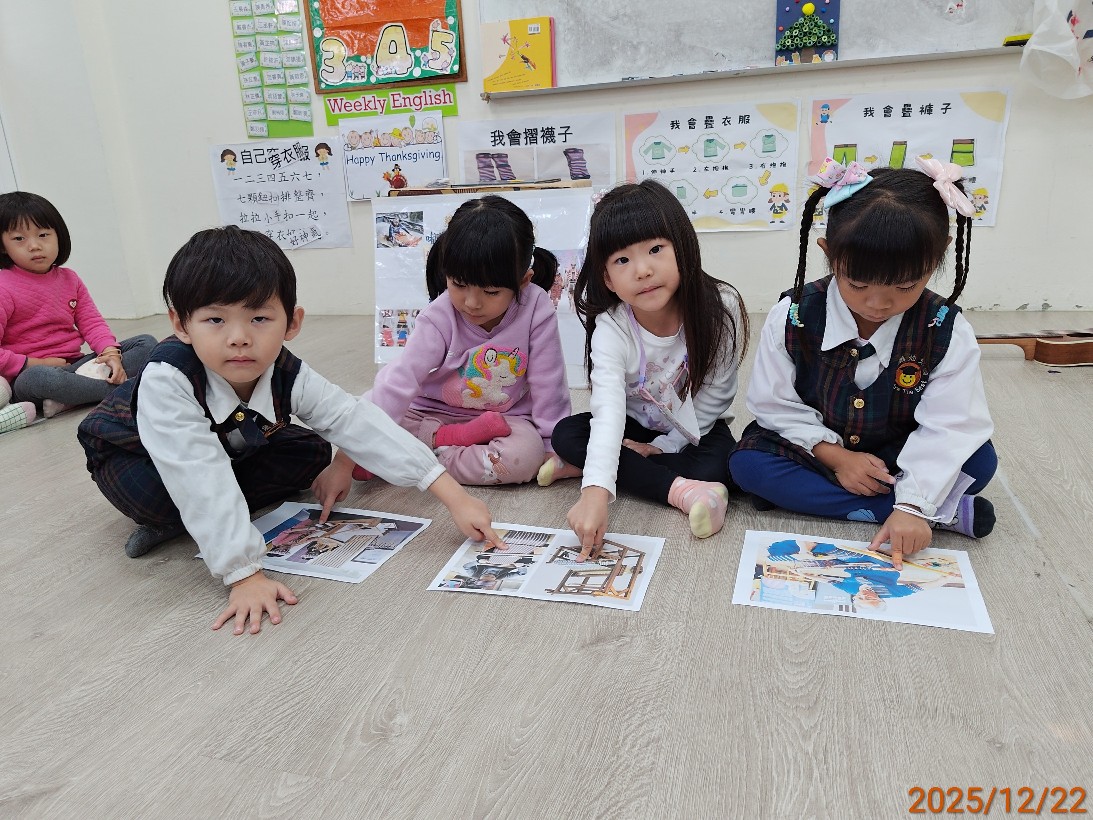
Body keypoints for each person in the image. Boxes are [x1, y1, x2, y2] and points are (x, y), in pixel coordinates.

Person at [78, 226, 503, 635]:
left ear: (292, 322)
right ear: (181, 324)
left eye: (260, 318)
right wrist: (244, 575)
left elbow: (354, 420)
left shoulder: (286, 369)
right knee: (161, 497)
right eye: (215, 320)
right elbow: (196, 472)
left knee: (314, 452)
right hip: (130, 453)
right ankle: (186, 523)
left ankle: (223, 512)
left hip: (231, 442)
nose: (239, 338)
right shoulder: (168, 379)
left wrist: (453, 495)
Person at [729, 156, 998, 570]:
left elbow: (951, 424)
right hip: (818, 448)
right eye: (857, 284)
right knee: (747, 466)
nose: (878, 303)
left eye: (905, 287)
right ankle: (937, 512)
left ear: (938, 257)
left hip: (898, 450)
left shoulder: (945, 328)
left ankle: (903, 510)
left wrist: (913, 503)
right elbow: (773, 405)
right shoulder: (794, 315)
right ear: (829, 253)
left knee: (979, 461)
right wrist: (838, 459)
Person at [544, 180, 749, 550]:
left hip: (694, 427)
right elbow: (608, 410)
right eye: (622, 260)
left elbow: (717, 394)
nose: (642, 270)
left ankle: (602, 468)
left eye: (656, 249)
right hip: (632, 424)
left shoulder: (720, 308)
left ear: (682, 247)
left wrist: (667, 446)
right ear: (607, 278)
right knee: (567, 435)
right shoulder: (612, 326)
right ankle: (682, 491)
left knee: (724, 467)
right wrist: (594, 492)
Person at [331, 195, 571, 490]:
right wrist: (348, 456)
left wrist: (550, 444)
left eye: (491, 292)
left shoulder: (536, 307)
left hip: (504, 418)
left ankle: (413, 459)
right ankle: (438, 444)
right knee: (368, 406)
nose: (472, 303)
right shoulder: (439, 315)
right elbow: (402, 379)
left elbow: (549, 381)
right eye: (459, 285)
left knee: (523, 457)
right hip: (428, 413)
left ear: (523, 280)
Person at [0, 191, 156, 419]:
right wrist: (36, 363)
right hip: (30, 374)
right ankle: (122, 390)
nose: (34, 245)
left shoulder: (69, 279)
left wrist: (110, 354)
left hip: (77, 366)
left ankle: (73, 397)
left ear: (58, 236)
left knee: (146, 343)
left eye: (43, 235)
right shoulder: (3, 286)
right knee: (39, 379)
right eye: (19, 239)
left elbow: (92, 323)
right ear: (3, 246)